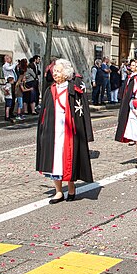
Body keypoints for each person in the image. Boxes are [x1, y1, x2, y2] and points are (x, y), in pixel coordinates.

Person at [36, 58, 93, 204]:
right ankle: (58, 191)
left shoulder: (74, 90)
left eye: (58, 71)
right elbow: (45, 113)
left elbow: (82, 111)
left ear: (66, 73)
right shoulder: (50, 90)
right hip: (53, 130)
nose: (55, 73)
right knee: (55, 161)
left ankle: (71, 188)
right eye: (54, 71)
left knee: (69, 158)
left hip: (69, 130)